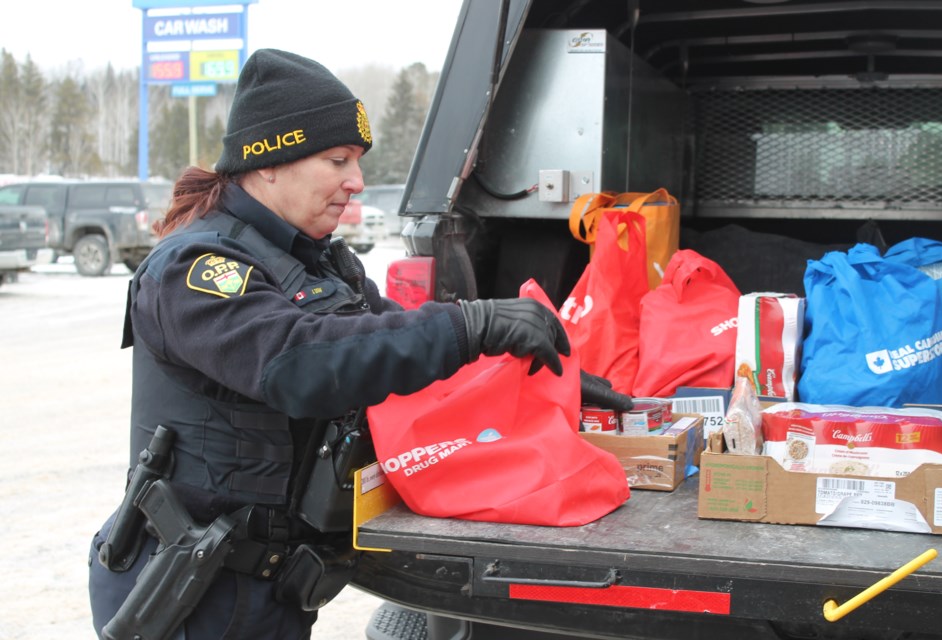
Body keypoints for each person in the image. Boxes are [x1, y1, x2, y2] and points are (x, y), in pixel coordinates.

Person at [87, 48, 631, 640]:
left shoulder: (316, 263)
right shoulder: (193, 268)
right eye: (337, 160)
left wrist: (539, 378)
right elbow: (299, 361)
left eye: (357, 161)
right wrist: (470, 323)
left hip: (269, 587)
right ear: (269, 161)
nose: (357, 181)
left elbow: (398, 350)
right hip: (192, 596)